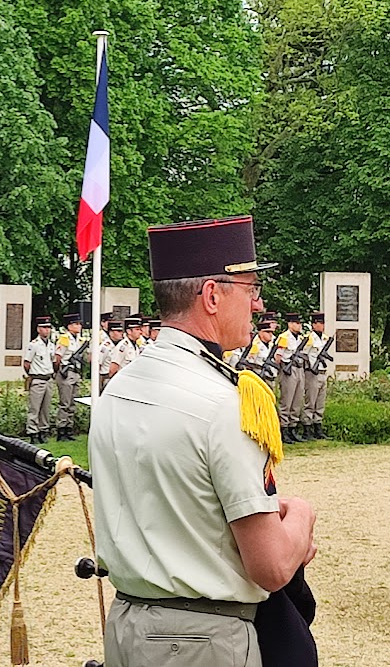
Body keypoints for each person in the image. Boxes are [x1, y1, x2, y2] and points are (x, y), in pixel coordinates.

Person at [90, 215, 317, 667]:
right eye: (251, 289)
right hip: (203, 639)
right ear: (212, 295)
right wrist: (302, 516)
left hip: (127, 625)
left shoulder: (118, 389)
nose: (258, 304)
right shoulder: (225, 402)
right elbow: (271, 567)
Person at [22, 316, 55, 444]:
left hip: (48, 379)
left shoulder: (51, 345)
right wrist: (32, 375)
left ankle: (43, 431)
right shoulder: (34, 345)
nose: (47, 330)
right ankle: (33, 432)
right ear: (38, 329)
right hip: (38, 379)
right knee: (35, 408)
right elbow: (26, 363)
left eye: (48, 328)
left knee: (46, 408)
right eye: (44, 327)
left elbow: (52, 361)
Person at [275, 313, 307, 444]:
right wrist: (282, 369)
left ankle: (293, 427)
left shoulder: (300, 339)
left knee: (297, 400)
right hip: (288, 369)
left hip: (299, 369)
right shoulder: (284, 338)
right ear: (290, 324)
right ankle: (284, 429)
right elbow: (278, 357)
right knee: (287, 401)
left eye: (299, 323)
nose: (299, 326)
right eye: (296, 323)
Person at [53, 312, 84, 441]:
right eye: (76, 324)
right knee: (65, 403)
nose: (79, 326)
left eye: (79, 324)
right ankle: (61, 430)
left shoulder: (80, 339)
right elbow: (58, 358)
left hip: (76, 372)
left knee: (72, 403)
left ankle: (69, 429)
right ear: (69, 326)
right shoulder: (64, 339)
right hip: (66, 372)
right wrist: (59, 372)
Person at [303, 312, 330, 440]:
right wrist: (309, 366)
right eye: (320, 323)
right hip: (312, 373)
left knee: (320, 402)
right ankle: (307, 428)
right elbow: (303, 354)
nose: (322, 326)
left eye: (323, 323)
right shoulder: (309, 339)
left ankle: (318, 427)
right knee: (311, 401)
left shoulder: (325, 338)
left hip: (323, 372)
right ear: (314, 324)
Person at [98, 320, 123, 392]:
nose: (121, 333)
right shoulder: (105, 347)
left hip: (118, 376)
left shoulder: (121, 345)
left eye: (121, 331)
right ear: (111, 333)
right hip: (106, 376)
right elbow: (98, 364)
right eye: (118, 331)